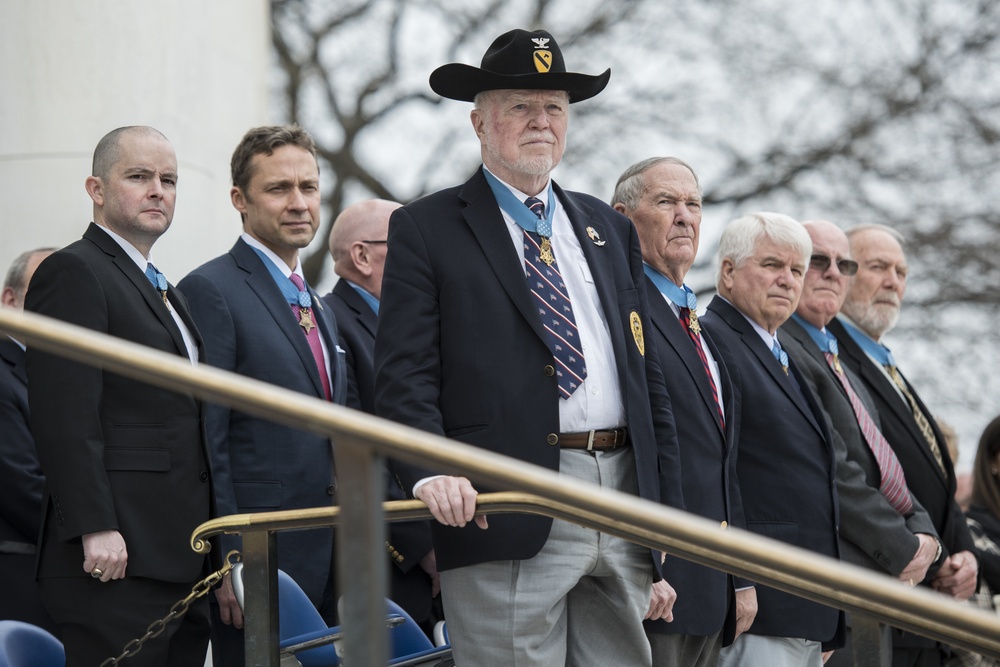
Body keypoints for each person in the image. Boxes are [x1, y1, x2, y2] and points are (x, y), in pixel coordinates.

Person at [374, 28, 683, 667]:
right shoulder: (425, 227)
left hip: (621, 493)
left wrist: (664, 519)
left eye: (555, 108)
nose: (541, 122)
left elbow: (643, 374)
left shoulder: (606, 228)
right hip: (501, 497)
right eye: (520, 106)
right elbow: (404, 373)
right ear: (480, 123)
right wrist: (430, 469)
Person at [25, 126, 213, 666]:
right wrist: (94, 525)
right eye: (139, 176)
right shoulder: (74, 270)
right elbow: (65, 412)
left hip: (182, 555)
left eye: (169, 180)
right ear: (97, 189)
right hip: (114, 555)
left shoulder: (163, 286)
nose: (158, 190)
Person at [178, 125, 348, 666]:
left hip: (332, 548)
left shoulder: (319, 305)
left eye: (309, 187)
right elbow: (209, 436)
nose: (299, 203)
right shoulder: (212, 289)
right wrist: (227, 561)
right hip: (259, 551)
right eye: (279, 189)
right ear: (239, 200)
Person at [612, 157, 756, 666]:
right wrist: (648, 565)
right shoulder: (619, 309)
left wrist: (739, 575)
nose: (685, 216)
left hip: (712, 587)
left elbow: (721, 458)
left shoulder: (693, 318)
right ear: (623, 216)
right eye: (666, 202)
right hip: (658, 581)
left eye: (693, 204)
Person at [777, 220, 941, 666]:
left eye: (844, 264)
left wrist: (926, 533)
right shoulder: (783, 347)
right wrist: (906, 550)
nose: (833, 272)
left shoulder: (839, 361)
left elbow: (887, 467)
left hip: (873, 585)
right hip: (837, 582)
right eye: (818, 260)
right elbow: (835, 468)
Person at [827, 224, 978, 666]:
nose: (893, 281)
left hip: (929, 608)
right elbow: (866, 473)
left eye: (901, 271)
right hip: (888, 594)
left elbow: (935, 472)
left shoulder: (883, 360)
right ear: (846, 271)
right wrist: (931, 557)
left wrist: (964, 554)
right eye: (878, 267)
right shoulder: (830, 354)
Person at [701, 212, 844, 667]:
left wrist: (830, 611)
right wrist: (740, 579)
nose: (787, 280)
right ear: (728, 272)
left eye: (797, 271)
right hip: (759, 603)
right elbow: (720, 471)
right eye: (771, 265)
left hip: (805, 605)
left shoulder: (781, 352)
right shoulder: (713, 341)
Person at [321, 199, 440, 632]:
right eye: (407, 245)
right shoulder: (331, 323)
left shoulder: (411, 324)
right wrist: (422, 545)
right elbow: (353, 450)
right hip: (387, 559)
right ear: (362, 256)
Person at [0, 248, 56, 634]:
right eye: (45, 294)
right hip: (20, 575)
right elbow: (20, 484)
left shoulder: (54, 375)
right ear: (9, 300)